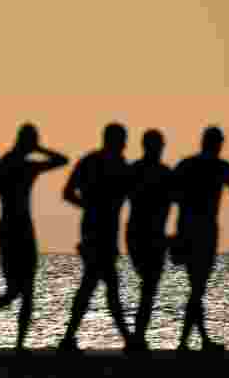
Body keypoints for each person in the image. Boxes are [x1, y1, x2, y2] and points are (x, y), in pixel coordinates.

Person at [0, 123, 69, 352]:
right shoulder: (22, 166)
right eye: (33, 142)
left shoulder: (7, 165)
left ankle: (6, 337)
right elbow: (61, 160)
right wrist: (41, 148)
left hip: (12, 228)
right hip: (17, 230)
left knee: (22, 290)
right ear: (28, 142)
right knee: (20, 290)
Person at [169, 126, 229, 351]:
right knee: (197, 287)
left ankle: (195, 340)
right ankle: (190, 342)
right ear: (217, 143)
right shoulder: (221, 168)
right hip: (201, 232)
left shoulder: (188, 165)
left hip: (190, 229)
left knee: (197, 287)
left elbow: (170, 194)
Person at [57, 123, 134, 352]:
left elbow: (68, 192)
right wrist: (91, 207)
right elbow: (68, 192)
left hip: (104, 233)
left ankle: (70, 337)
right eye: (122, 139)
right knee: (102, 284)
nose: (123, 144)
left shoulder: (106, 163)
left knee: (94, 284)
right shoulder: (104, 164)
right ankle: (127, 338)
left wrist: (90, 206)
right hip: (96, 233)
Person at [124, 129, 174, 352]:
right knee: (148, 285)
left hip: (151, 235)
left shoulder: (163, 172)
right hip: (141, 234)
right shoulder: (137, 170)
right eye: (158, 144)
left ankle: (137, 337)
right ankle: (137, 337)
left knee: (149, 287)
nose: (160, 148)